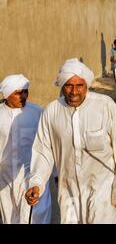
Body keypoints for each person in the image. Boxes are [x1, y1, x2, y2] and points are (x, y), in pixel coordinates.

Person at [25, 59, 116, 224]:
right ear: (62, 86)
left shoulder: (105, 105)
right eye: (68, 85)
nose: (74, 91)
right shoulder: (52, 111)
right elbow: (43, 151)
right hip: (69, 191)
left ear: (87, 86)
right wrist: (36, 182)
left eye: (79, 86)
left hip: (103, 189)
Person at [0, 75, 52, 224]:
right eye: (18, 93)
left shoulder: (38, 112)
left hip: (32, 175)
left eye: (25, 92)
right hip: (5, 176)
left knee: (35, 216)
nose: (23, 96)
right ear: (7, 94)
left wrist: (55, 173)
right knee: (9, 217)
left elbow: (48, 144)